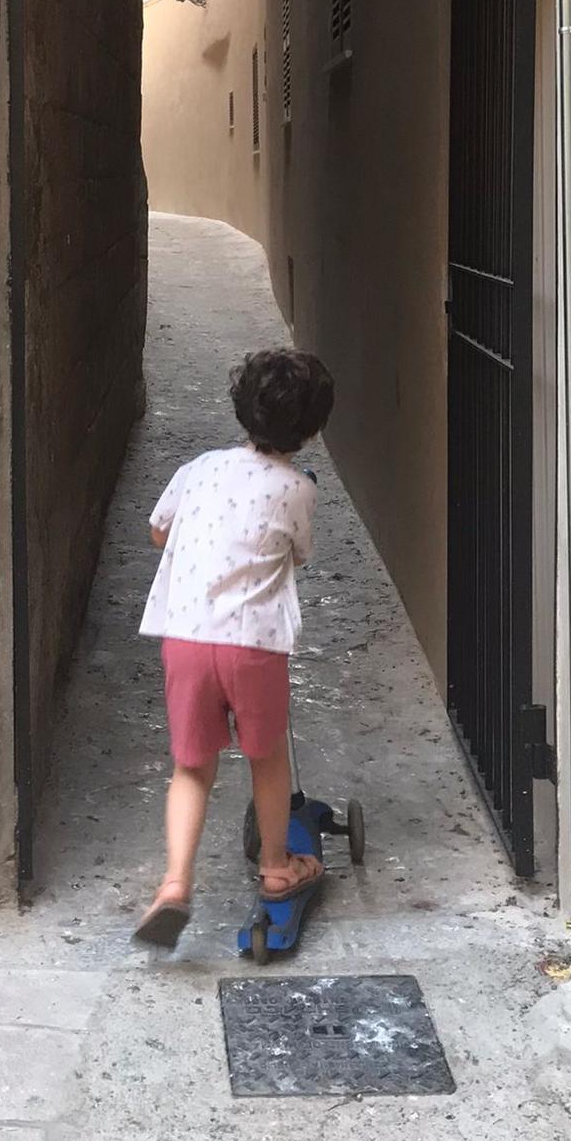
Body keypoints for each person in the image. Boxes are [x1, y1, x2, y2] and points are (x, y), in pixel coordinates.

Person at [133, 347, 336, 949]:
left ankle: (174, 885)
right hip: (252, 646)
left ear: (241, 409)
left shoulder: (198, 468)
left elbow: (157, 530)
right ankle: (277, 866)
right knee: (267, 757)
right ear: (313, 428)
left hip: (187, 640)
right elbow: (297, 554)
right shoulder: (298, 490)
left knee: (191, 766)